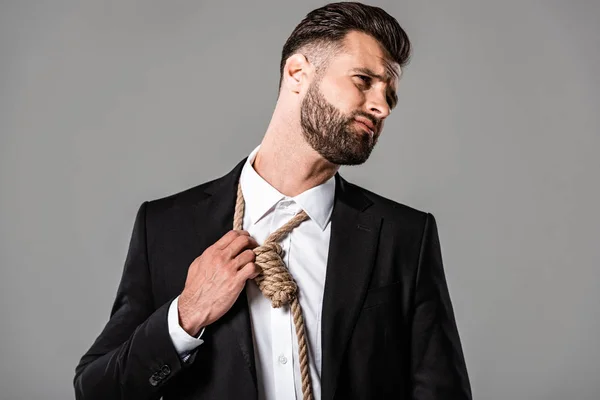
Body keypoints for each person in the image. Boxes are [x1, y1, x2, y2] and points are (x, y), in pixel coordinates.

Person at [74, 2, 472, 399]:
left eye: (390, 96)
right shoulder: (165, 227)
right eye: (363, 79)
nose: (382, 106)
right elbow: (97, 390)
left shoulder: (404, 236)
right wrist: (186, 315)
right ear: (297, 73)